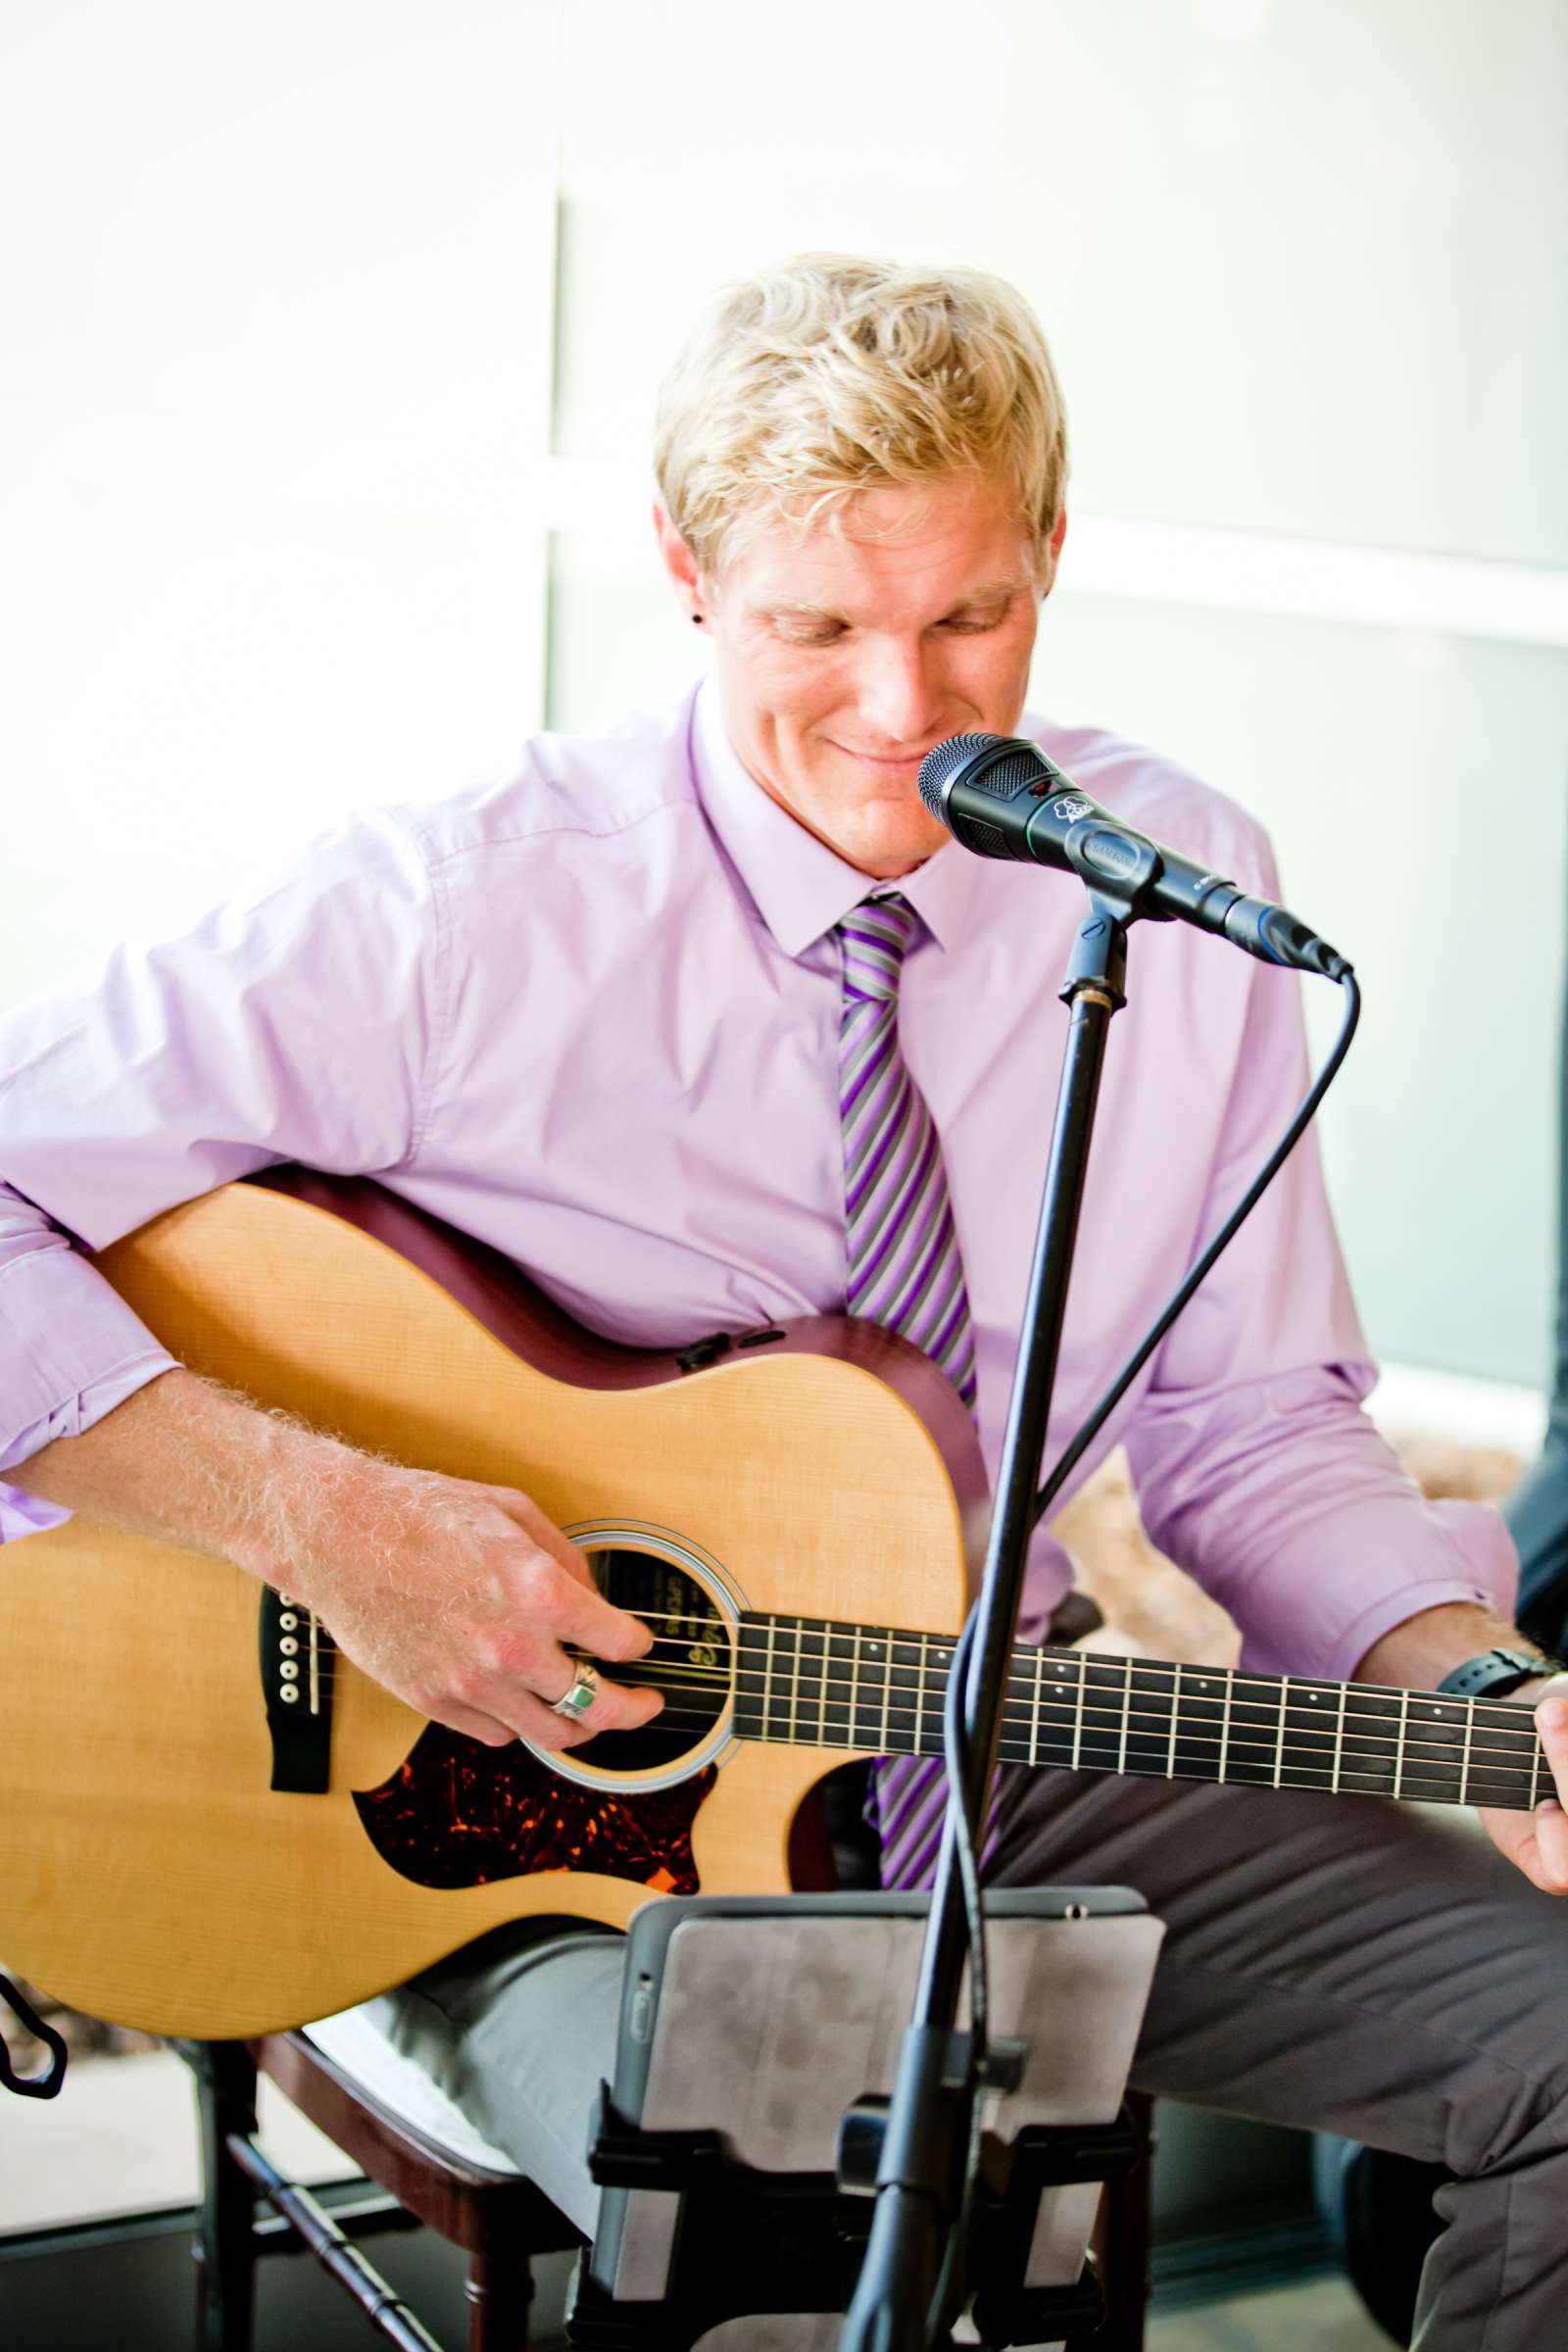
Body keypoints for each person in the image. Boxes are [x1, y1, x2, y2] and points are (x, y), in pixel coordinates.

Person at [5, 253, 1568, 2345]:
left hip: (1007, 1746)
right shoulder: (451, 916)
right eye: (812, 627)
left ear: (1048, 550)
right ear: (680, 569)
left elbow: (1248, 1422)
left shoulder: (1176, 900)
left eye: (966, 617)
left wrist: (1473, 1690)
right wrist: (333, 1526)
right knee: (796, 2218)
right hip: (509, 1828)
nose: (901, 713)